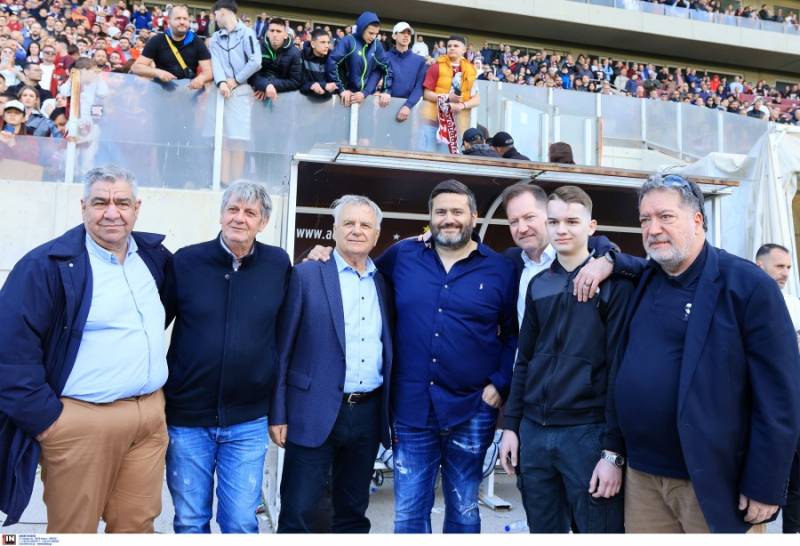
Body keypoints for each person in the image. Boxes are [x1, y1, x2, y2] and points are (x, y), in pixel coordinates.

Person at [303, 180, 516, 533]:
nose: (449, 218)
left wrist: (500, 383)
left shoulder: (500, 269)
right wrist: (323, 255)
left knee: (464, 510)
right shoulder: (402, 255)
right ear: (429, 217)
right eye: (440, 212)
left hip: (473, 408)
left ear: (474, 217)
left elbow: (513, 333)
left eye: (457, 211)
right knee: (409, 513)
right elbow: (357, 270)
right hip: (412, 408)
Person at [614, 174, 800, 532]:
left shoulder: (747, 285)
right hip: (643, 479)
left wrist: (766, 483)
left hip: (715, 481)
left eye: (665, 217)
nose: (653, 229)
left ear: (697, 220)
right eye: (645, 219)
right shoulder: (646, 280)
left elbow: (780, 395)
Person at [0, 165, 172, 531]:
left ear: (137, 208)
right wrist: (49, 422)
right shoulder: (45, 266)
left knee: (136, 527)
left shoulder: (154, 258)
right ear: (83, 207)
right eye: (100, 202)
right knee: (73, 531)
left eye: (122, 203)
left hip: (148, 420)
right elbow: (10, 352)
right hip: (81, 422)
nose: (112, 212)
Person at [499, 186, 632, 533]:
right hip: (534, 432)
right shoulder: (538, 284)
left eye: (572, 221)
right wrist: (511, 426)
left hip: (587, 432)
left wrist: (613, 452)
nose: (561, 230)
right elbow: (524, 360)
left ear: (591, 226)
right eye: (554, 221)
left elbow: (619, 371)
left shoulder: (614, 285)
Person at [163, 181, 290, 534]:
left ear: (263, 222)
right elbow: (153, 323)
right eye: (233, 209)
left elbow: (286, 333)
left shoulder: (277, 264)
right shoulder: (186, 261)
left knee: (240, 523)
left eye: (250, 213)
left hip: (248, 421)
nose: (239, 218)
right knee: (190, 521)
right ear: (221, 215)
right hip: (188, 419)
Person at [271, 195, 393, 533]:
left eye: (365, 225)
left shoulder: (383, 282)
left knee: (352, 512)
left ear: (376, 235)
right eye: (348, 223)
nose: (356, 230)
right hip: (312, 409)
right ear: (334, 230)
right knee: (299, 511)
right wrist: (278, 412)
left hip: (367, 413)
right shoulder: (307, 274)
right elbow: (283, 349)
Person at [754, 243, 800, 534]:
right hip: (760, 407)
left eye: (788, 267)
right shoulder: (745, 302)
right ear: (760, 265)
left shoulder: (795, 304)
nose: (785, 273)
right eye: (779, 266)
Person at [208, 0, 261, 182]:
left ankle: (235, 183)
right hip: (222, 91)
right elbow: (216, 62)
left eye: (215, 15)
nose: (215, 19)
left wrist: (236, 80)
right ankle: (221, 181)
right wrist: (222, 82)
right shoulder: (215, 37)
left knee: (238, 139)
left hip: (241, 90)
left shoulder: (247, 33)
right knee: (221, 138)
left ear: (222, 12)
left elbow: (256, 61)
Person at [131, 4, 212, 89]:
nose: (182, 22)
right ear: (169, 21)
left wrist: (201, 79)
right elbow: (136, 67)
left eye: (185, 19)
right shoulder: (157, 40)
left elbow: (209, 72)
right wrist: (158, 72)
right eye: (178, 18)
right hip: (161, 91)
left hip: (188, 91)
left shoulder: (197, 41)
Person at [421, 35, 479, 153]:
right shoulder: (436, 66)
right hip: (432, 123)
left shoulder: (471, 70)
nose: (452, 48)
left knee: (452, 159)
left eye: (456, 46)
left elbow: (476, 99)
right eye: (449, 46)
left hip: (459, 124)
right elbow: (426, 94)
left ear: (464, 49)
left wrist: (461, 106)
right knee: (428, 157)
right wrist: (447, 98)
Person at [326, 11, 392, 108]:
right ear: (362, 29)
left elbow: (387, 68)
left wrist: (385, 91)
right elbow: (332, 63)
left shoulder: (376, 45)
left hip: (365, 98)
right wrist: (341, 89)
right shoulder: (349, 40)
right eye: (370, 33)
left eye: (376, 34)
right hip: (344, 97)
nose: (373, 37)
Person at [250, 17, 302, 101]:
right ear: (267, 33)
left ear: (286, 35)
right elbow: (251, 74)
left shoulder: (295, 53)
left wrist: (270, 85)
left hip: (282, 97)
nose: (275, 34)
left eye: (278, 31)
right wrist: (264, 85)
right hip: (258, 94)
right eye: (272, 31)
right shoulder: (258, 47)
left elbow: (295, 81)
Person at [384, 22, 426, 122]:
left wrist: (408, 105)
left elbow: (419, 87)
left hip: (409, 110)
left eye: (408, 33)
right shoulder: (384, 56)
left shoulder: (420, 60)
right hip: (384, 107)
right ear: (394, 36)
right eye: (402, 32)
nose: (406, 35)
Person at [299, 28, 338, 99]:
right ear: (313, 44)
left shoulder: (333, 58)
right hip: (303, 101)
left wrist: (331, 86)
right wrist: (311, 85)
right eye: (323, 42)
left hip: (327, 103)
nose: (327, 46)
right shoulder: (302, 56)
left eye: (328, 42)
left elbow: (337, 82)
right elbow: (298, 81)